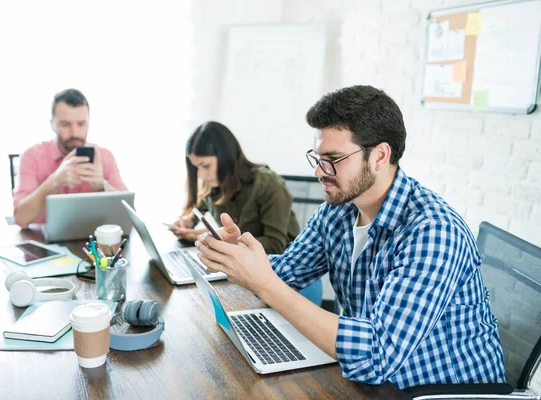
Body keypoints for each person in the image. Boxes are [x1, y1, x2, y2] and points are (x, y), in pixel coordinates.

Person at [195, 86, 506, 389]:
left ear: (380, 156)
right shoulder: (339, 210)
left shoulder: (433, 231)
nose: (319, 171)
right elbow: (286, 273)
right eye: (317, 157)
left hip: (433, 391)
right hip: (375, 383)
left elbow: (376, 354)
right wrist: (239, 256)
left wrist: (264, 282)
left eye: (333, 158)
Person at [172, 121, 299, 254]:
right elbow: (199, 209)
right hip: (239, 262)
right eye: (196, 167)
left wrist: (227, 241)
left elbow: (275, 246)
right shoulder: (213, 183)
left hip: (278, 266)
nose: (201, 175)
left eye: (205, 166)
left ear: (225, 157)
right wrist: (186, 223)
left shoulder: (268, 184)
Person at [13, 89, 128, 228]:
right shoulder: (32, 156)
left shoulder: (104, 156)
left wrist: (102, 186)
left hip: (93, 244)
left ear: (89, 123)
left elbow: (130, 215)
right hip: (45, 244)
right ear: (52, 124)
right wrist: (54, 181)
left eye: (81, 124)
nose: (74, 133)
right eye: (65, 125)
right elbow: (20, 219)